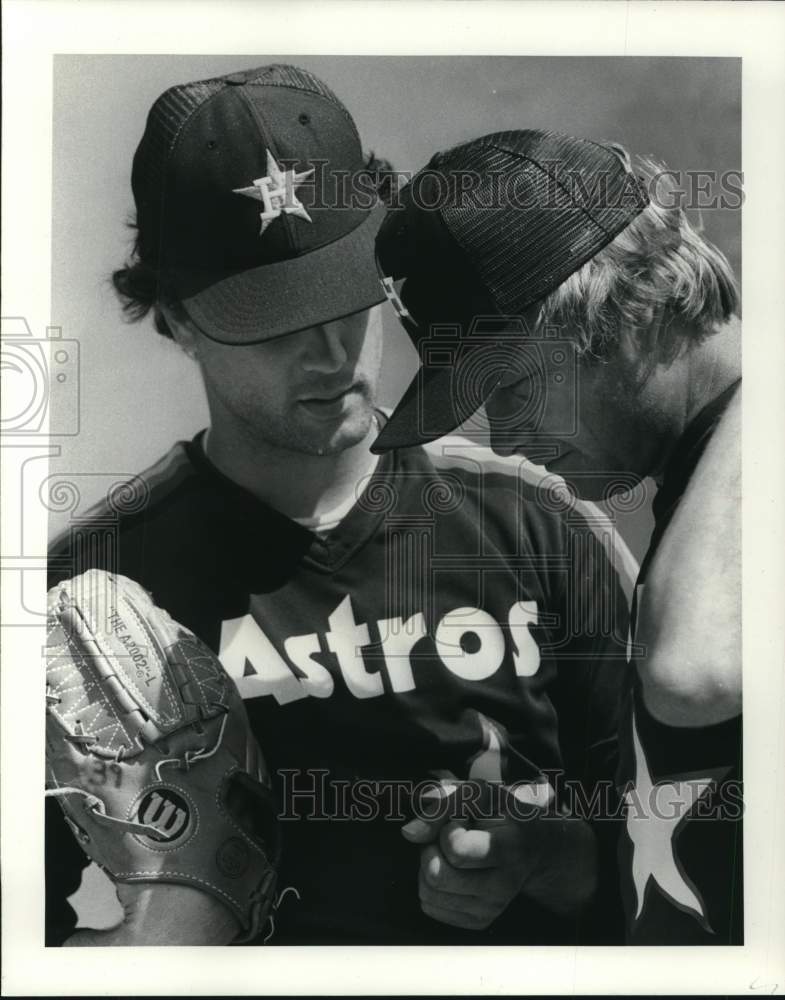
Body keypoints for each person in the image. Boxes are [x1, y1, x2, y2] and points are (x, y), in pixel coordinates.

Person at [47, 70, 635, 947]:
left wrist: (553, 858)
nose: (330, 355)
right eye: (273, 319)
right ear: (174, 317)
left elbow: (657, 879)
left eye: (344, 295)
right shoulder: (84, 602)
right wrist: (158, 941)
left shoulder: (543, 526)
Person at [372, 128, 742, 944]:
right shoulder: (711, 483)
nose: (502, 438)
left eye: (509, 386)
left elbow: (694, 674)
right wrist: (551, 855)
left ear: (628, 305)